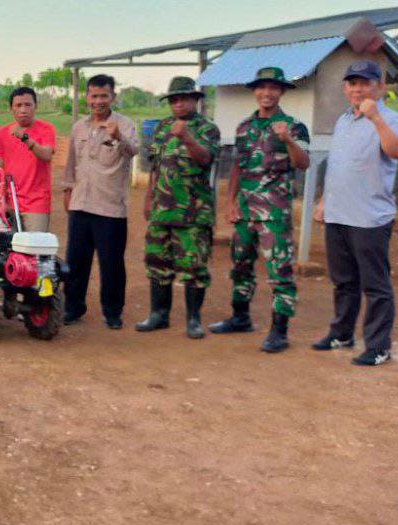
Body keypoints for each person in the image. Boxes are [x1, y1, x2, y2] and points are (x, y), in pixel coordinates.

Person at [313, 60, 398, 366]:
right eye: (352, 83)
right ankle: (342, 333)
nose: (358, 89)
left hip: (369, 218)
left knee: (375, 286)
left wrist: (376, 118)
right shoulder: (343, 121)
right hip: (338, 214)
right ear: (345, 88)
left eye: (365, 83)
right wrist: (324, 201)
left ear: (379, 87)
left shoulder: (390, 118)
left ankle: (379, 346)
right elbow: (339, 166)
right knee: (344, 281)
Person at [208, 67, 310, 353]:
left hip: (274, 212)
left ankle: (280, 332)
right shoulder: (244, 127)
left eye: (273, 88)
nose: (267, 93)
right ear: (255, 91)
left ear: (281, 92)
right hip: (245, 210)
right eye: (262, 88)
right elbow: (239, 166)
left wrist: (287, 139)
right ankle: (240, 317)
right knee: (240, 265)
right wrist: (230, 203)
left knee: (280, 270)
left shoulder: (294, 126)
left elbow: (303, 164)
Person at [136, 76, 220, 339]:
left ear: (195, 100)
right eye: (174, 99)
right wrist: (149, 198)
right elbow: (155, 168)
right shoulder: (162, 128)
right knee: (157, 262)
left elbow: (206, 159)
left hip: (193, 214)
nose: (178, 103)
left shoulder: (207, 129)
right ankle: (159, 314)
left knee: (193, 267)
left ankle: (193, 319)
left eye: (184, 98)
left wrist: (187, 138)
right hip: (162, 211)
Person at [62, 74, 139, 329]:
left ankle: (113, 312)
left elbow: (134, 151)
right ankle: (73, 307)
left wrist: (119, 137)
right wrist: (67, 190)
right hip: (80, 203)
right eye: (93, 96)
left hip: (110, 207)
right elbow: (71, 162)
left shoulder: (125, 124)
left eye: (103, 96)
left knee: (112, 264)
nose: (98, 101)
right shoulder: (79, 127)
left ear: (113, 97)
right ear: (86, 97)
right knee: (75, 261)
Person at [0, 86, 55, 232]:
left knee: (35, 248)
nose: (23, 110)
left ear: (35, 107)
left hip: (37, 203)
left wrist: (25, 139)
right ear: (11, 109)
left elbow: (46, 155)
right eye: (18, 105)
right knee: (12, 249)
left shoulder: (46, 129)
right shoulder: (3, 133)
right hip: (11, 202)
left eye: (28, 105)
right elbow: (0, 164)